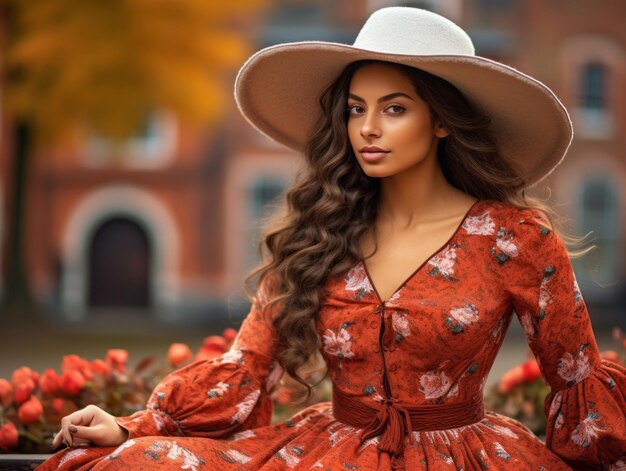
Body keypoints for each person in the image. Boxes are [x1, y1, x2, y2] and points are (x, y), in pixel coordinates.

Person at [40, 7, 625, 470]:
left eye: (394, 109)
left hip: (468, 457)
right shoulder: (320, 231)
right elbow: (247, 370)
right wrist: (134, 428)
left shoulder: (516, 238)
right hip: (331, 452)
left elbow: (577, 379)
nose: (367, 128)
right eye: (355, 109)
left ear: (442, 120)